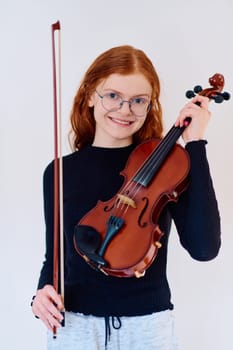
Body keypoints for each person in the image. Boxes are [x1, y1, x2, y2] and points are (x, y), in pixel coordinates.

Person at [31, 45, 221, 350]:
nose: (125, 109)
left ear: (149, 105)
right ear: (91, 94)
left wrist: (195, 144)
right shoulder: (59, 172)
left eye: (138, 100)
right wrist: (41, 293)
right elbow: (54, 257)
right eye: (113, 96)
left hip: (148, 326)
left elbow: (204, 248)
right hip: (75, 327)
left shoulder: (167, 166)